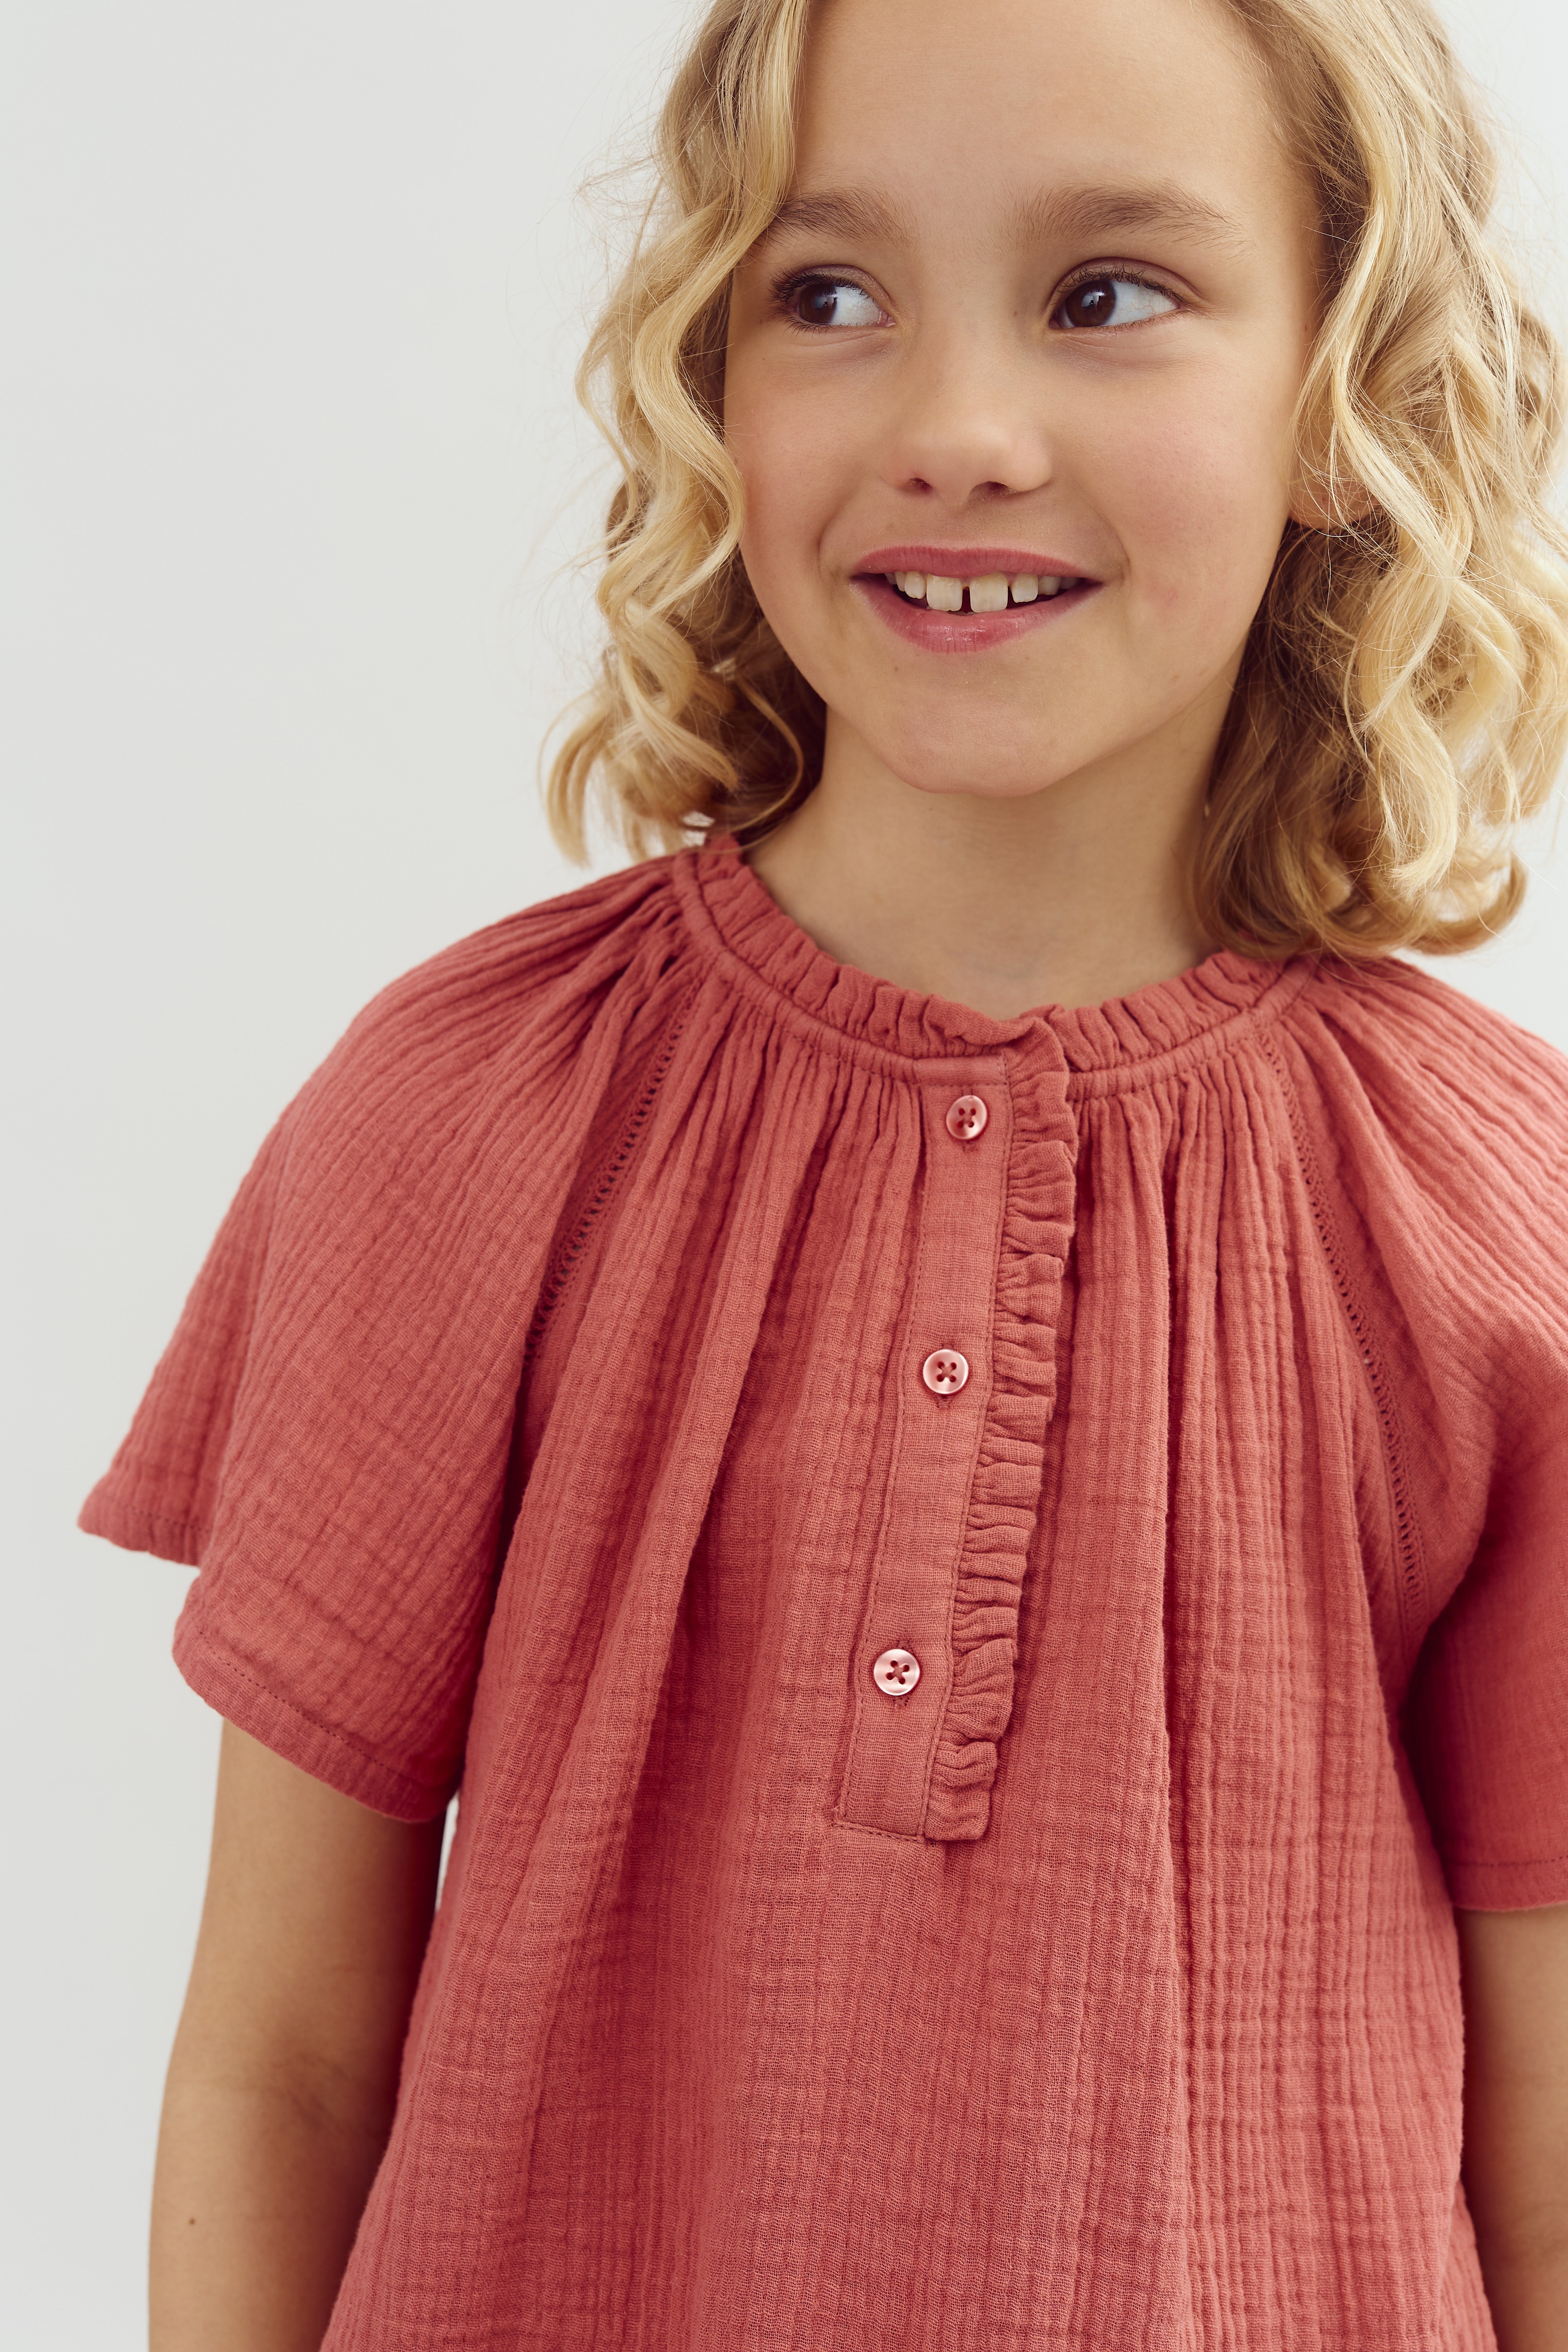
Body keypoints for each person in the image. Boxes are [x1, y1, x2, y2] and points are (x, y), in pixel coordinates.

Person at [82, 0, 1568, 2343]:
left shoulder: (1496, 1224)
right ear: (714, 380)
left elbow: (1546, 2160)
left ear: (1344, 396)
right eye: (829, 294)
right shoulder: (469, 1114)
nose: (956, 431)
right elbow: (280, 2062)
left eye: (1109, 297)